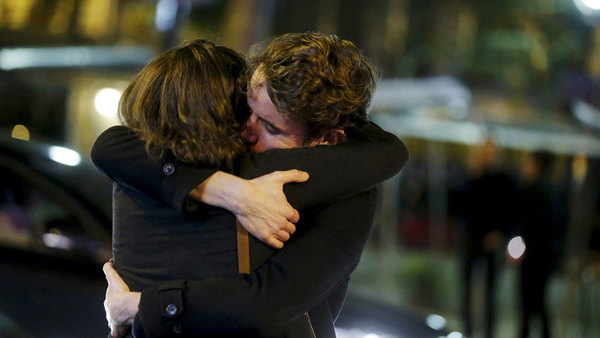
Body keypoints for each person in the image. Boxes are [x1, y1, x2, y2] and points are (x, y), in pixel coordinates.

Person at [93, 33, 409, 337]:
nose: (246, 131)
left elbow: (271, 300)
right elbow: (113, 145)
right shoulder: (215, 157)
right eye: (248, 109)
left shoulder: (349, 192)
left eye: (270, 126)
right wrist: (230, 191)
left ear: (327, 139)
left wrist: (140, 306)